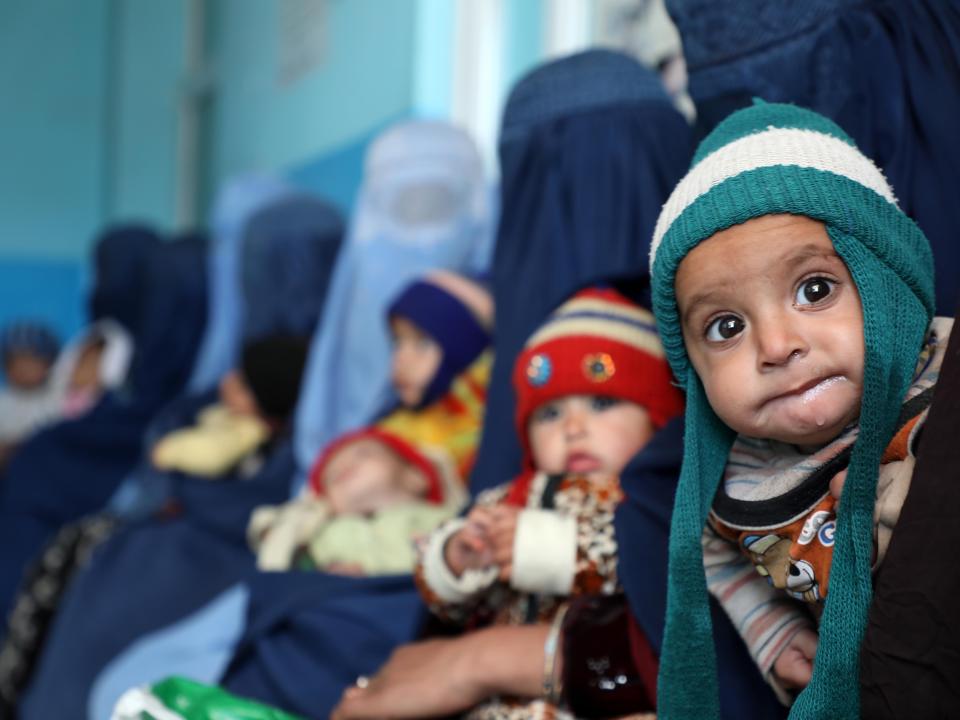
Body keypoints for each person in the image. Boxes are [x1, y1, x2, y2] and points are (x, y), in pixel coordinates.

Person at [647, 101, 948, 718]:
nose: (777, 346)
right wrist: (773, 633)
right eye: (726, 326)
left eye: (815, 290)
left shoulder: (947, 383)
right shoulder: (735, 481)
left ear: (890, 280)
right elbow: (714, 552)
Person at [372, 287, 683, 719]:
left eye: (602, 403)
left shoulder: (651, 502)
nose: (573, 427)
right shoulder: (508, 498)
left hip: (586, 694)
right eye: (550, 414)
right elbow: (447, 604)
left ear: (659, 418)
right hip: (488, 703)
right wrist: (456, 559)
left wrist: (532, 545)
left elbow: (640, 563)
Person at [247, 271, 491, 575]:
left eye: (422, 344)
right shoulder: (395, 418)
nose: (400, 360)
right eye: (397, 344)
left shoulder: (483, 426)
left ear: (462, 345)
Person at [151, 335, 309, 479]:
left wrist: (167, 451)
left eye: (242, 386)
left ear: (265, 410)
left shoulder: (249, 433)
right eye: (236, 371)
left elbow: (212, 454)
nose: (228, 381)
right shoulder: (232, 409)